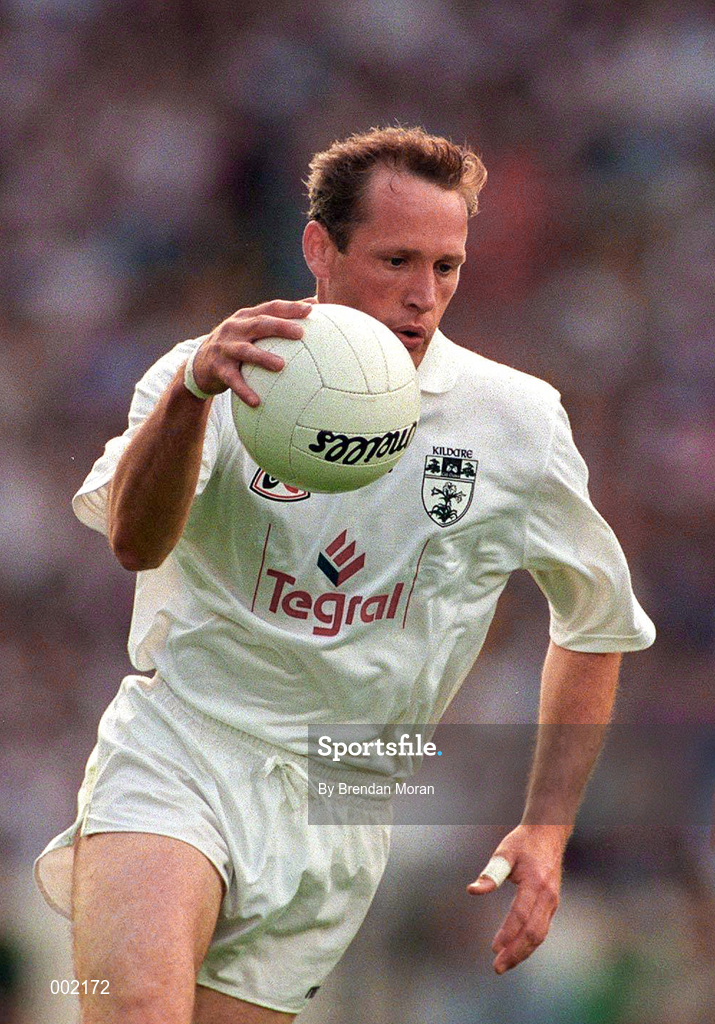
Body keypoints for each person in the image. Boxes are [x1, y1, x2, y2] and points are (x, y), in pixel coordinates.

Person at [35, 126, 655, 1024]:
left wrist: (548, 826)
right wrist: (193, 397)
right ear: (318, 249)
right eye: (396, 259)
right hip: (189, 739)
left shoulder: (514, 419)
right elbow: (135, 544)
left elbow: (596, 623)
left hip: (349, 785)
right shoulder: (208, 370)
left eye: (446, 267)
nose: (422, 296)